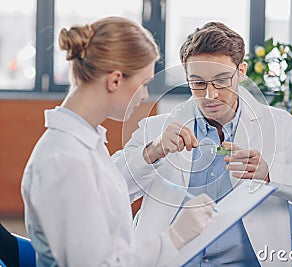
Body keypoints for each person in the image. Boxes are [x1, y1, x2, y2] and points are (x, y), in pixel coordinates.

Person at [113, 22, 292, 266]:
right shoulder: (156, 129)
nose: (210, 95)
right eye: (198, 83)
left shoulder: (279, 126)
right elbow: (110, 191)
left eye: (221, 80)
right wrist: (152, 152)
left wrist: (269, 173)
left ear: (241, 72)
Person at [20, 17, 216, 267]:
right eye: (144, 84)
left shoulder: (85, 144)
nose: (145, 96)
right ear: (114, 80)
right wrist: (175, 237)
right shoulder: (65, 159)